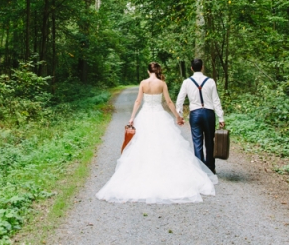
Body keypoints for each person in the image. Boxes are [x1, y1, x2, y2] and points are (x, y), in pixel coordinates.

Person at [96, 62, 217, 204]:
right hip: (160, 116)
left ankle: (143, 175)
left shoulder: (143, 83)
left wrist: (132, 117)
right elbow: (169, 102)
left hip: (145, 116)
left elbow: (137, 101)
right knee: (164, 145)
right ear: (157, 70)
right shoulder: (161, 83)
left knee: (143, 145)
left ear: (148, 71)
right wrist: (177, 116)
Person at [175, 58, 225, 174]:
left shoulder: (187, 82)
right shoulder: (210, 81)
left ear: (191, 68)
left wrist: (180, 115)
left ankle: (200, 170)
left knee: (197, 142)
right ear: (202, 67)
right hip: (208, 113)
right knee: (209, 141)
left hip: (195, 114)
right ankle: (211, 168)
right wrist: (221, 117)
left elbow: (180, 100)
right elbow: (216, 100)